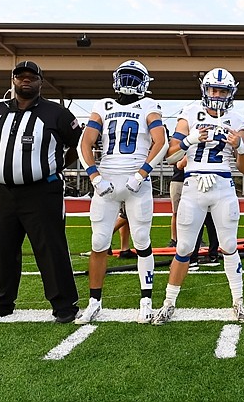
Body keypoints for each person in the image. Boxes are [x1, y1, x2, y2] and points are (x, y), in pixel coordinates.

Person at [0, 61, 81, 324]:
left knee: (50, 246)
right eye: (21, 77)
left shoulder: (56, 114)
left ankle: (64, 304)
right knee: (3, 247)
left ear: (41, 82)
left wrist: (52, 166)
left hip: (41, 190)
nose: (26, 81)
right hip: (1, 192)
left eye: (32, 77)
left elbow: (79, 145)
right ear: (13, 80)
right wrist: (3, 166)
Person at [152, 67, 244, 325]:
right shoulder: (189, 113)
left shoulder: (238, 119)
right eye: (213, 89)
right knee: (184, 248)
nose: (217, 95)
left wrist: (240, 146)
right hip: (194, 185)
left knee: (229, 246)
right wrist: (188, 140)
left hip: (223, 185)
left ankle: (239, 302)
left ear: (231, 93)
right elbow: (171, 156)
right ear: (205, 90)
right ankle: (169, 303)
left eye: (222, 91)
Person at [76, 60, 168, 325]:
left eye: (133, 77)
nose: (129, 82)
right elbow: (86, 142)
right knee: (98, 241)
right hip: (106, 178)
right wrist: (94, 176)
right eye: (125, 76)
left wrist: (142, 173)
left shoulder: (149, 105)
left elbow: (159, 141)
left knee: (141, 239)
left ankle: (146, 300)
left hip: (135, 180)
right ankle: (94, 301)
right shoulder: (103, 105)